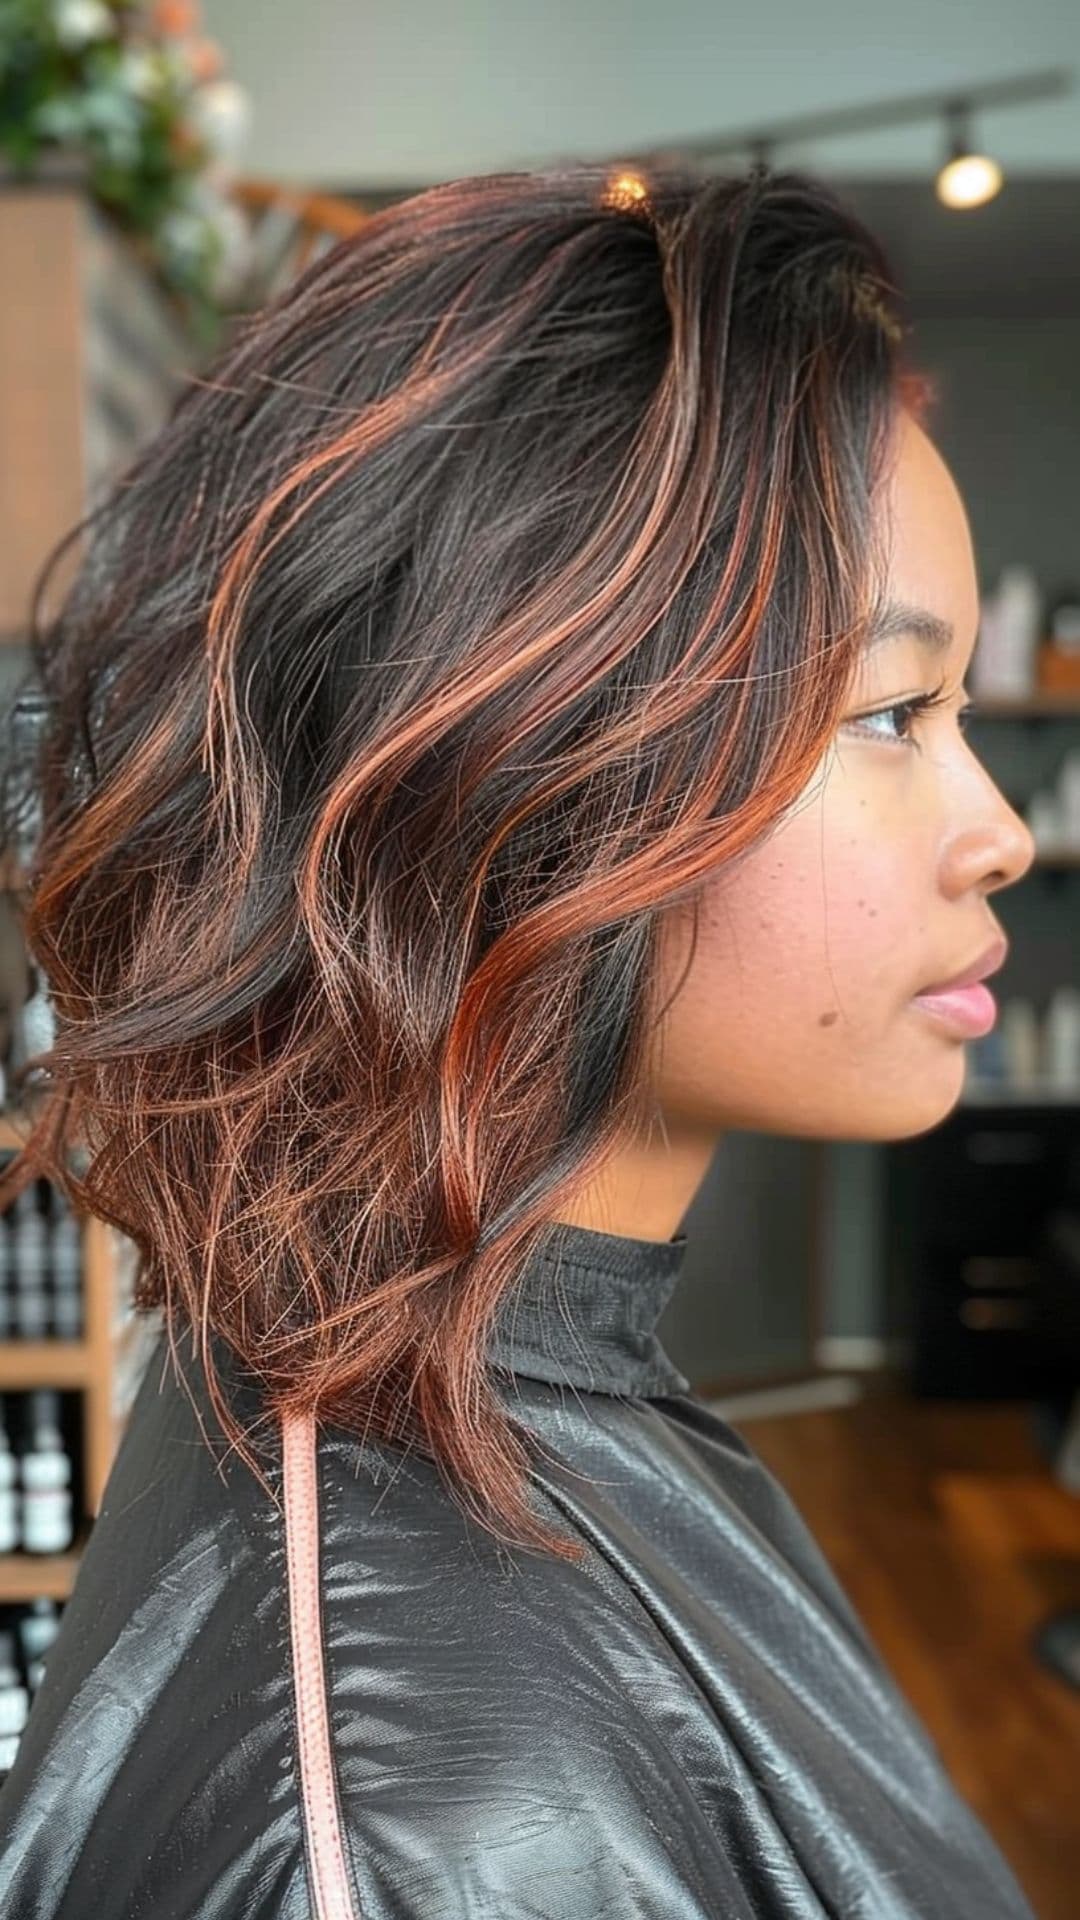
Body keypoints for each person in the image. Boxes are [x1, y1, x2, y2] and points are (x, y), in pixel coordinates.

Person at [0, 161, 1039, 1917]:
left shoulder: (442, 1347)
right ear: (526, 766)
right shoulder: (425, 1840)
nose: (998, 827)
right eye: (890, 713)